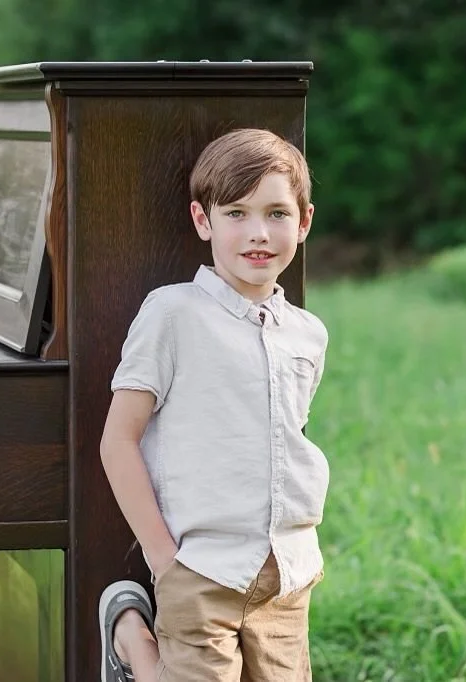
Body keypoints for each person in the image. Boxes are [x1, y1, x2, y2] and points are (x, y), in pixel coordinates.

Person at [97, 128, 331, 682]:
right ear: (203, 221)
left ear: (304, 221)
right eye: (236, 213)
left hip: (287, 572)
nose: (258, 233)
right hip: (201, 569)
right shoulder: (173, 314)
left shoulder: (308, 334)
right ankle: (131, 636)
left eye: (277, 213)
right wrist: (164, 560)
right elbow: (118, 439)